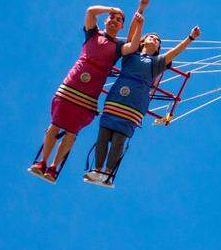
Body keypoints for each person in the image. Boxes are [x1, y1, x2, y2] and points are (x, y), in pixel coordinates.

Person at [29, 0, 148, 182]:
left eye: (119, 20)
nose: (115, 21)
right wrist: (112, 8)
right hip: (72, 85)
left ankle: (53, 167)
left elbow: (132, 45)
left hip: (89, 95)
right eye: (112, 18)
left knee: (72, 131)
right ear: (106, 20)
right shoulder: (92, 34)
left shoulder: (117, 46)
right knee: (55, 124)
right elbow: (91, 11)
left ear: (121, 27)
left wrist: (139, 19)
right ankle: (42, 162)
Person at [85, 25, 201, 187]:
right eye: (151, 36)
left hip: (134, 103)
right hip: (116, 98)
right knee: (103, 135)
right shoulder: (130, 54)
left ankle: (107, 174)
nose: (154, 39)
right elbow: (132, 36)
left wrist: (190, 38)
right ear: (142, 41)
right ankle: (97, 169)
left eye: (158, 41)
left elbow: (174, 52)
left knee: (119, 138)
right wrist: (139, 18)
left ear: (159, 48)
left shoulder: (157, 62)